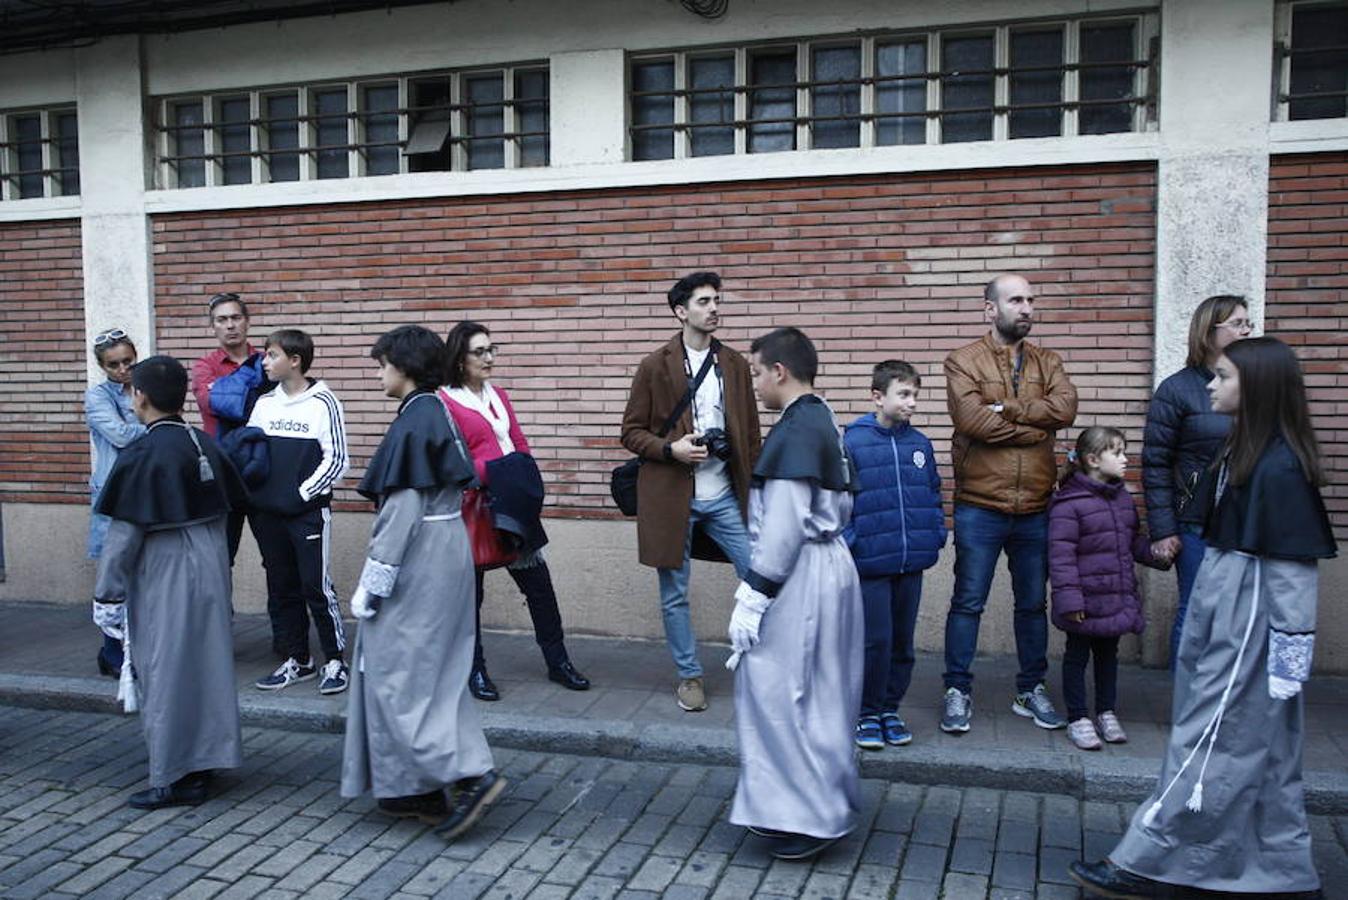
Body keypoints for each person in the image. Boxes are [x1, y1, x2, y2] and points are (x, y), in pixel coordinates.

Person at [1071, 337, 1335, 899]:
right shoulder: (1246, 451)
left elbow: (1291, 570)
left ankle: (1149, 859)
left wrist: (1290, 652)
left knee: (1213, 740)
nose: (1211, 386)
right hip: (1229, 609)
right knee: (1258, 748)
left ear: (1256, 388)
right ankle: (1281, 867)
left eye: (1223, 377)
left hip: (1247, 625)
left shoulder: (1279, 466)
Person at [341, 325, 506, 839]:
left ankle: (470, 774)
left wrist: (374, 581)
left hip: (421, 556)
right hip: (447, 545)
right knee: (433, 674)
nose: (378, 371)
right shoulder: (437, 411)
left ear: (404, 365)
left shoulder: (418, 418)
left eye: (381, 362)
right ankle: (414, 787)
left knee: (400, 673)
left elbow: (402, 509)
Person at [727, 326, 863, 862]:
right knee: (822, 693)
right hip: (830, 565)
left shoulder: (794, 431)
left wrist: (754, 596)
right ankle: (803, 803)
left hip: (800, 573)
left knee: (778, 691)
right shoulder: (821, 417)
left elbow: (782, 529)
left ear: (779, 371)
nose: (757, 383)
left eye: (758, 371)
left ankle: (804, 813)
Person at [91, 355, 248, 809]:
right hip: (212, 561)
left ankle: (173, 776)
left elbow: (124, 535)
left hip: (165, 568)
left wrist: (107, 593)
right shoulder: (202, 441)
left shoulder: (143, 450)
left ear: (139, 396)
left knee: (166, 670)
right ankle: (205, 763)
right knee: (209, 664)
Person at [941, 273, 1077, 735]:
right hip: (980, 504)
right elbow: (973, 421)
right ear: (990, 309)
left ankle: (1030, 689)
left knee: (1031, 605)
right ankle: (957, 689)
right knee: (968, 602)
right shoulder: (962, 361)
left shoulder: (1049, 361)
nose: (1026, 308)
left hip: (1037, 505)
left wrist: (1010, 410)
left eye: (1030, 300)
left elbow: (1066, 408)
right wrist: (1037, 427)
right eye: (1015, 300)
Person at [621, 271, 762, 712]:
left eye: (716, 300)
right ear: (681, 311)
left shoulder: (735, 364)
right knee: (675, 592)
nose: (714, 308)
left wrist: (756, 493)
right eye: (703, 301)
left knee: (760, 576)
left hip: (724, 494)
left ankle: (765, 667)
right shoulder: (654, 365)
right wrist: (670, 449)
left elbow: (752, 435)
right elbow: (631, 433)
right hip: (671, 497)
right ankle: (689, 675)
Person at [441, 321, 590, 701]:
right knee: (469, 598)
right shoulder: (444, 402)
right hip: (473, 510)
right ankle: (475, 671)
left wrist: (523, 473)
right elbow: (449, 463)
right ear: (459, 359)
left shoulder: (499, 395)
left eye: (492, 349)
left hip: (513, 506)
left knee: (539, 587)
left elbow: (518, 443)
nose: (489, 358)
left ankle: (559, 663)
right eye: (480, 351)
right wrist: (497, 471)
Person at [1142, 295, 1251, 668]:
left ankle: (1226, 704)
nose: (1247, 330)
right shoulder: (1176, 390)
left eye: (1247, 323)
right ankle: (1188, 706)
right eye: (1237, 323)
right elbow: (1155, 463)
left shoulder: (1255, 386)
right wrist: (1162, 529)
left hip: (1248, 522)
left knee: (1240, 617)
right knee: (1197, 612)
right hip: (1196, 523)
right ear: (1210, 330)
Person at [843, 360, 945, 750]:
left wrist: (934, 534)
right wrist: (854, 542)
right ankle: (866, 713)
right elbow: (839, 502)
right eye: (904, 394)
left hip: (911, 562)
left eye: (915, 395)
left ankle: (889, 708)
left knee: (902, 642)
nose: (913, 403)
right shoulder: (852, 442)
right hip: (870, 562)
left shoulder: (919, 445)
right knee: (875, 640)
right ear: (877, 396)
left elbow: (933, 493)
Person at [1049, 427, 1168, 752]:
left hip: (1114, 596)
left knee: (1108, 657)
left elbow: (1130, 543)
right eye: (1116, 452)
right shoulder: (1069, 504)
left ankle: (1105, 711)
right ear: (1092, 460)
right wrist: (1069, 599)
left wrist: (1155, 554)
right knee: (1076, 657)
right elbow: (1061, 558)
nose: (1125, 458)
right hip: (1083, 600)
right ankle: (1077, 717)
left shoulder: (1122, 499)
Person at [246, 329, 351, 695]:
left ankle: (335, 660)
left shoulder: (324, 402)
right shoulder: (264, 403)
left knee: (315, 586)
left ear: (295, 360)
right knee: (282, 586)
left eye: (271, 355)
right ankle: (299, 659)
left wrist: (301, 495)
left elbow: (337, 460)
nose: (264, 362)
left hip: (306, 514)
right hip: (267, 516)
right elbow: (250, 454)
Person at [84, 328, 147, 677]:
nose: (123, 369)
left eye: (128, 361)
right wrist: (153, 425)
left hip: (143, 491)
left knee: (139, 575)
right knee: (114, 577)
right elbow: (122, 435)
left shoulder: (144, 388)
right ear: (102, 367)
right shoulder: (97, 397)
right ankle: (111, 653)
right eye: (114, 365)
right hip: (113, 495)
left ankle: (133, 649)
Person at [190, 292, 258, 562]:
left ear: (247, 321)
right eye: (222, 320)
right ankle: (219, 608)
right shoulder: (204, 365)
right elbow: (213, 404)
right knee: (220, 557)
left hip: (263, 469)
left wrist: (226, 390)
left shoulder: (267, 358)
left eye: (235, 317)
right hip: (223, 472)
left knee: (277, 558)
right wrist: (256, 390)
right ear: (213, 326)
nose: (230, 325)